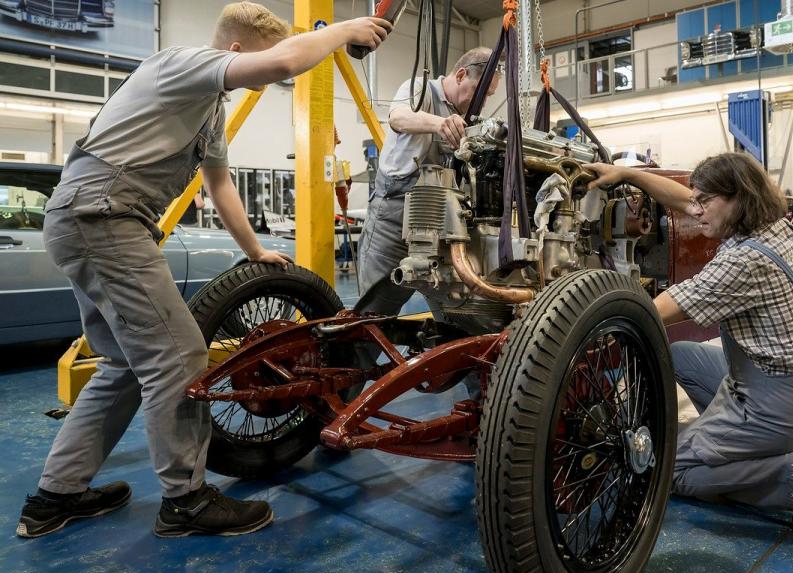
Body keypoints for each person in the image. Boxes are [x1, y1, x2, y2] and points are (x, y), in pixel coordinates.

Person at [17, 2, 391, 539]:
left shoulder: (209, 108)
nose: (260, 82)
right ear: (235, 52)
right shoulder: (181, 64)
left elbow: (220, 186)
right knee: (180, 357)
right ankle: (185, 502)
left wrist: (256, 250)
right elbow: (283, 66)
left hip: (92, 220)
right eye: (258, 63)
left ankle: (56, 496)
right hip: (102, 216)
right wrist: (342, 33)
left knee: (124, 363)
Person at [586, 152, 793, 537]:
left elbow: (655, 310)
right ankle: (747, 446)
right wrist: (627, 173)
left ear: (737, 198)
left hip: (783, 408)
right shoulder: (777, 220)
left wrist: (573, 316)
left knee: (664, 468)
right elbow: (684, 201)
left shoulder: (742, 263)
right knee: (681, 356)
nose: (697, 209)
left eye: (706, 201)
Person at [354, 47, 499, 317]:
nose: (482, 102)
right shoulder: (420, 89)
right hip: (393, 219)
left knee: (456, 307)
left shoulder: (469, 118)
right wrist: (439, 123)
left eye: (487, 96)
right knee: (374, 315)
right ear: (461, 75)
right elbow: (398, 118)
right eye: (479, 93)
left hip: (441, 225)